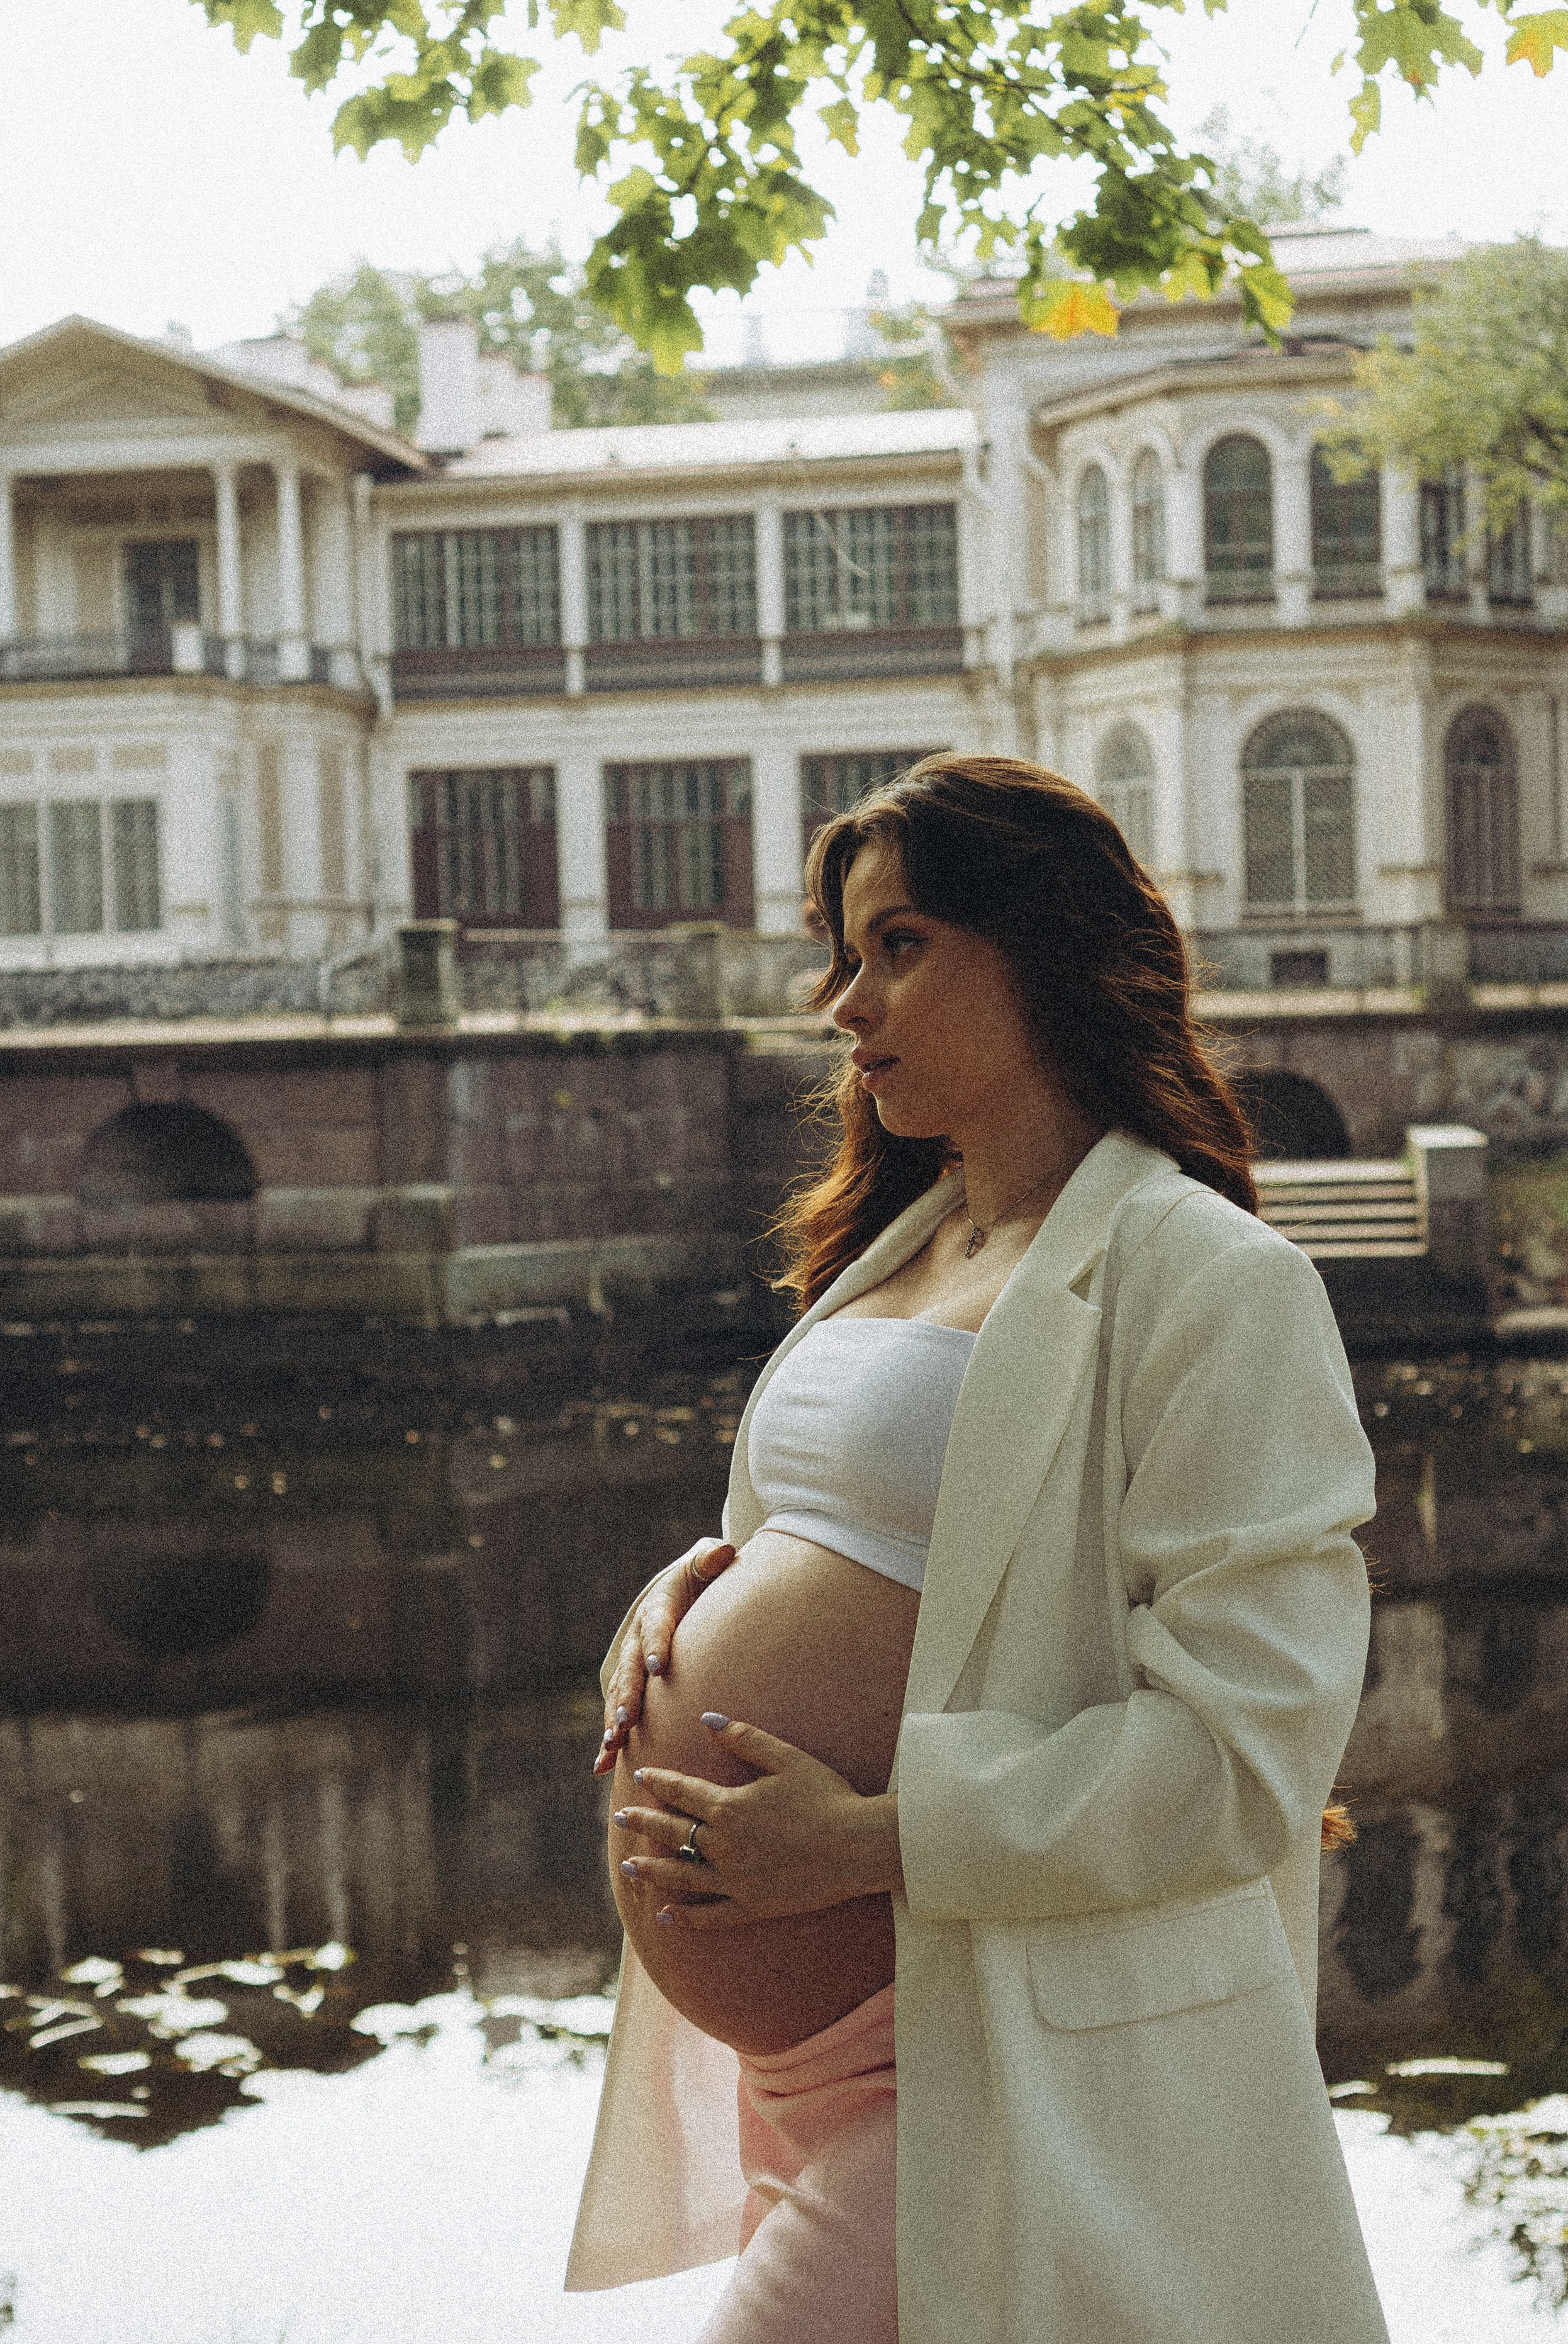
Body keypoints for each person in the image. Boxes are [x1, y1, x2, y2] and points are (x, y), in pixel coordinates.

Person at [566, 754, 1389, 2344]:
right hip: (812, 2059)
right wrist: (684, 1593)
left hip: (1001, 2051)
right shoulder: (899, 1244)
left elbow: (1244, 1758)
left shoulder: (1205, 1280)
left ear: (1043, 950)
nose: (840, 1002)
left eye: (898, 945)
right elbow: (865, 1542)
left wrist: (870, 1840)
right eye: (841, 953)